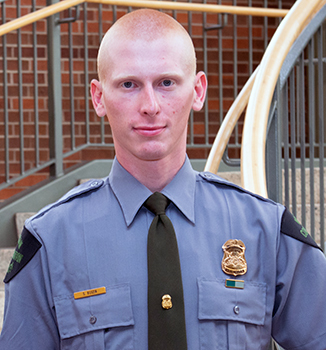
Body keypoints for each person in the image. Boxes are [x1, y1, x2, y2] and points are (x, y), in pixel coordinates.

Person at [0, 8, 326, 350]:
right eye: (129, 85)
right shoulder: (51, 240)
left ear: (198, 90)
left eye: (166, 83)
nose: (150, 105)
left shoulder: (264, 228)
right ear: (98, 97)